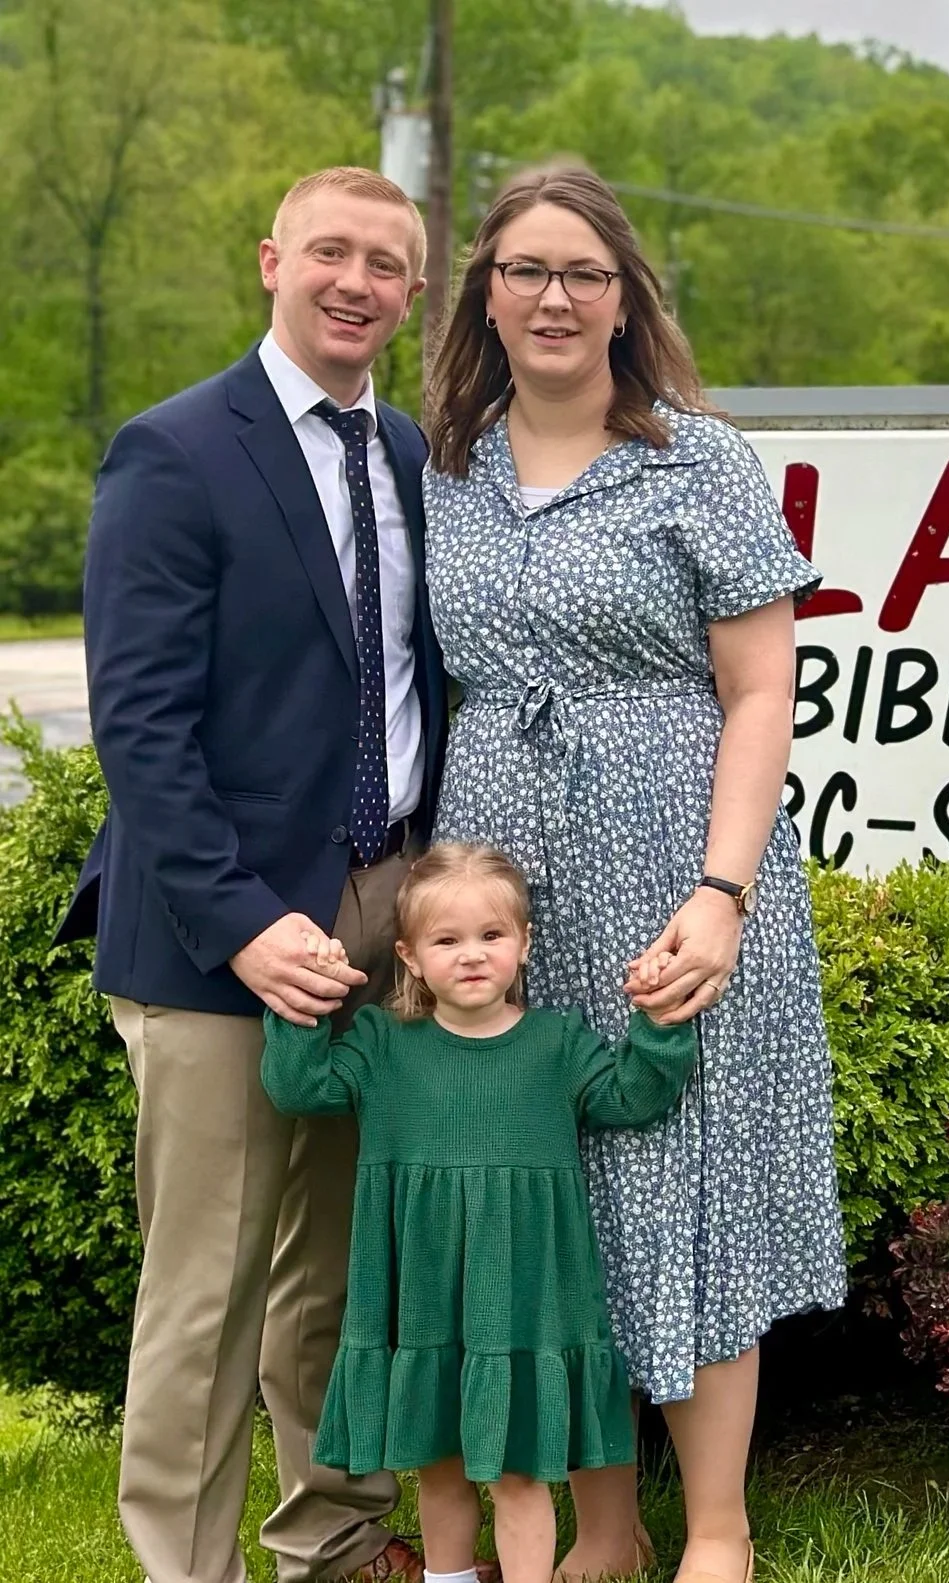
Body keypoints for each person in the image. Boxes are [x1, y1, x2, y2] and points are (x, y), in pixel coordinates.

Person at [422, 165, 849, 1583]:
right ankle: (601, 1523)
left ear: (623, 297)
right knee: (549, 1178)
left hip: (674, 848)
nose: (552, 297)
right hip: (501, 870)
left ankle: (714, 1523)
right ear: (484, 291)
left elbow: (760, 693)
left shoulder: (697, 461)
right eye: (525, 269)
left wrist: (720, 892)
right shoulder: (442, 463)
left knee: (685, 1173)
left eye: (581, 273)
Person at [55, 167, 449, 1583]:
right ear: (272, 258)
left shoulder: (411, 454)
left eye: (386, 263)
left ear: (413, 293)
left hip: (380, 908)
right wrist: (244, 925)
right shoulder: (173, 450)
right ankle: (184, 1562)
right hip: (218, 932)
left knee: (335, 1275)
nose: (355, 280)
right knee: (206, 1286)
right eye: (330, 251)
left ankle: (334, 1537)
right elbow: (140, 726)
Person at [262, 842, 698, 1583]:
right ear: (409, 955)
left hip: (523, 1307)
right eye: (447, 939)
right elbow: (299, 1090)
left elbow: (633, 1095)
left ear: (525, 943)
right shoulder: (381, 1044)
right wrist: (301, 1006)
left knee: (519, 1472)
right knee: (440, 1468)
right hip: (426, 1300)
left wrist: (658, 1022)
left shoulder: (556, 1045)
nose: (472, 955)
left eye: (492, 935)